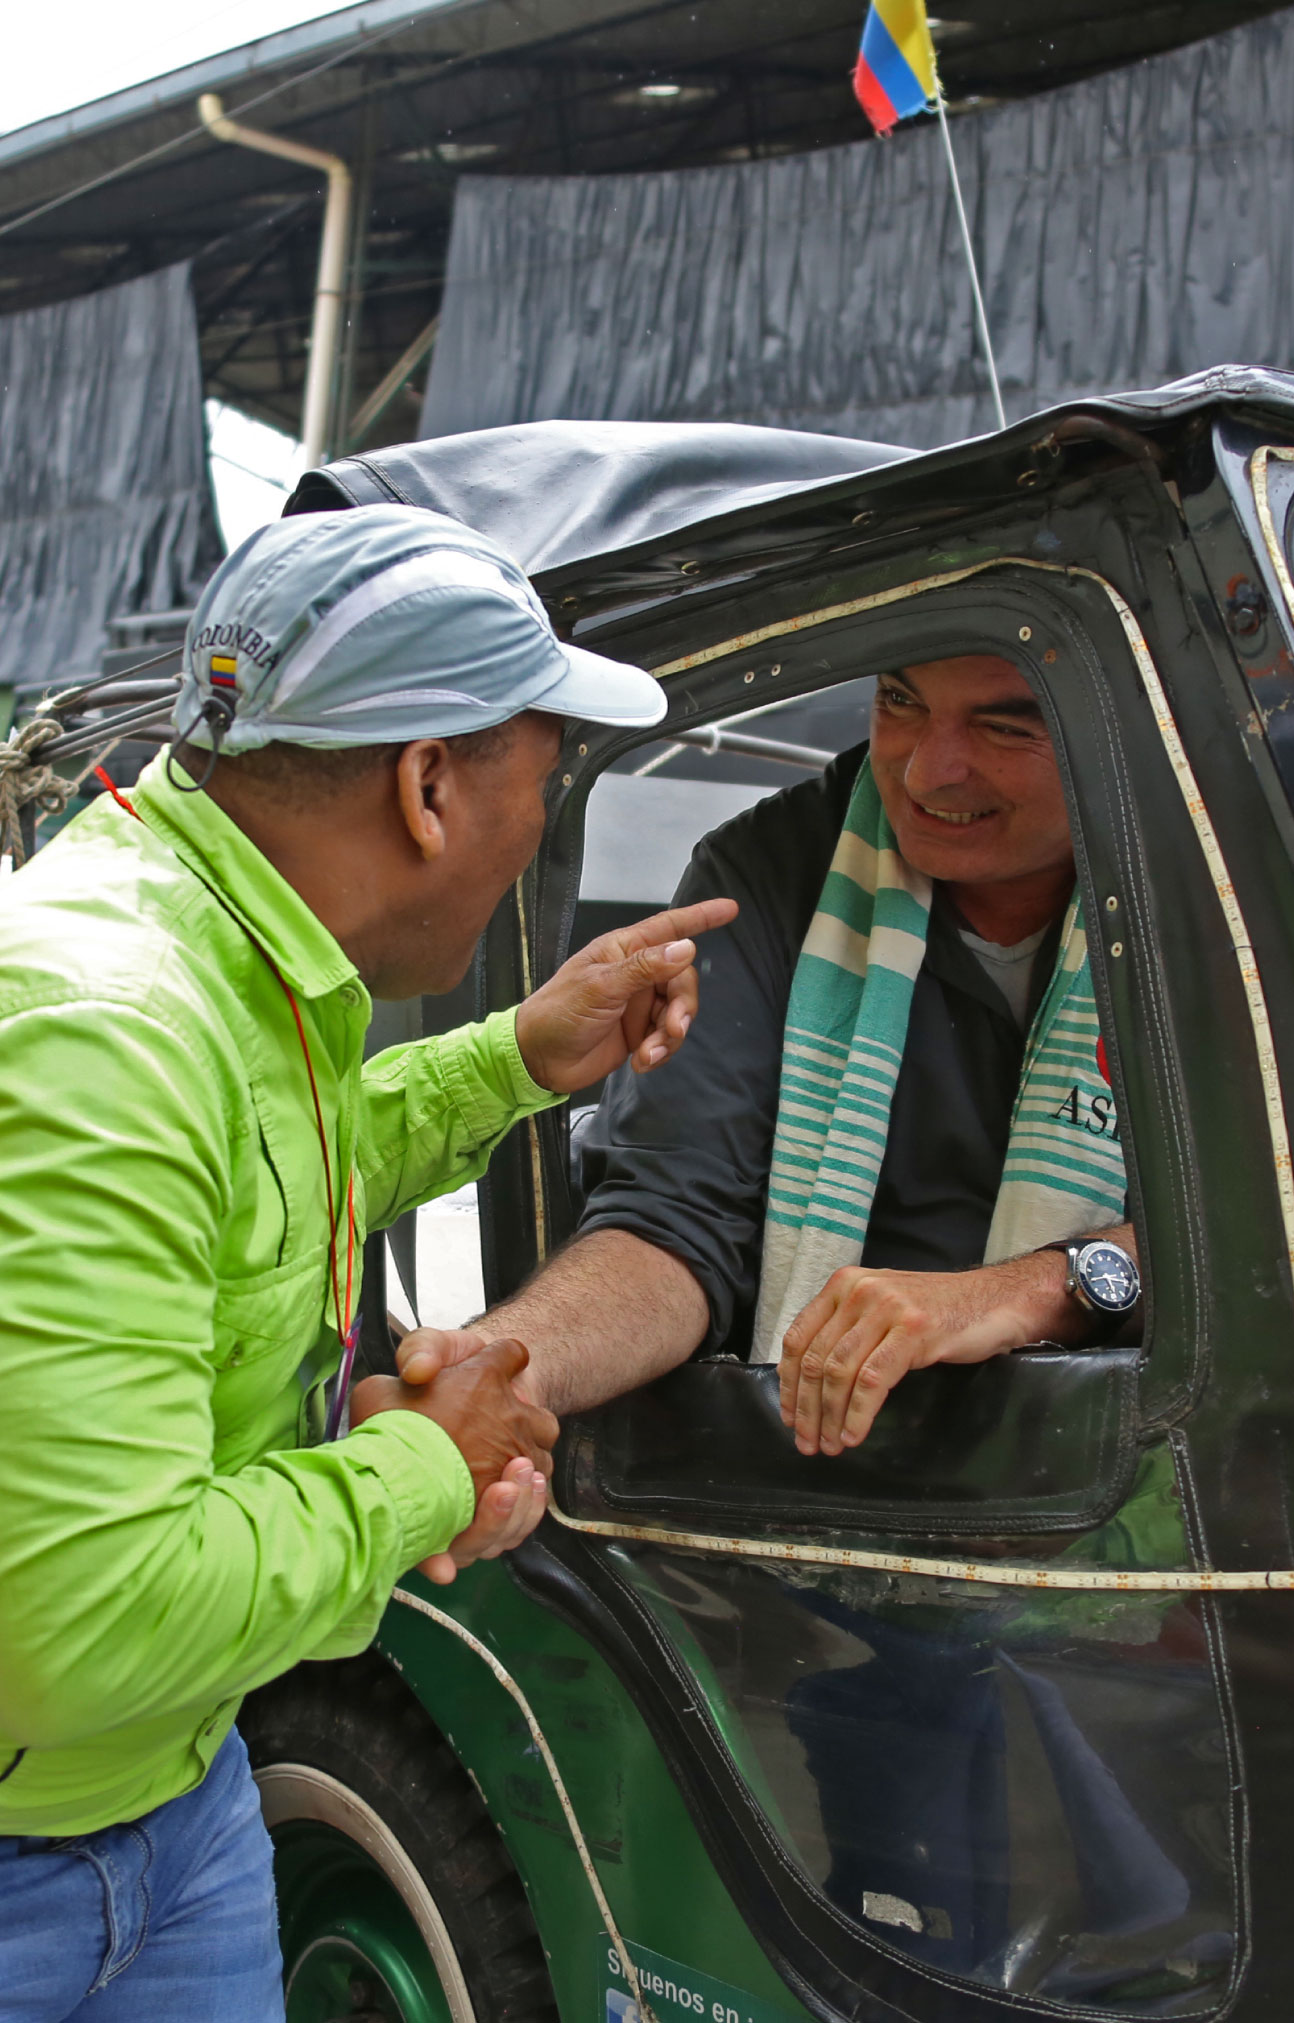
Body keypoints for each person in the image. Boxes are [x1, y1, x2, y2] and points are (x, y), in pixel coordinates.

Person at [0, 505, 734, 2022]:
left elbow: (265, 1172)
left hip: (175, 1795)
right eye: (546, 778)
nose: (543, 821)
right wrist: (424, 1465)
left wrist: (519, 1057)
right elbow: (85, 1620)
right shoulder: (103, 1029)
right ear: (428, 783)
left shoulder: (213, 949)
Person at [406, 654, 1139, 1450]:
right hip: (810, 1470)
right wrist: (501, 1372)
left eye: (1003, 725)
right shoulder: (763, 871)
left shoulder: (1222, 876)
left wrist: (1042, 1286)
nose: (931, 771)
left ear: (1117, 716)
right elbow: (672, 1224)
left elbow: (1284, 1219)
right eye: (899, 699)